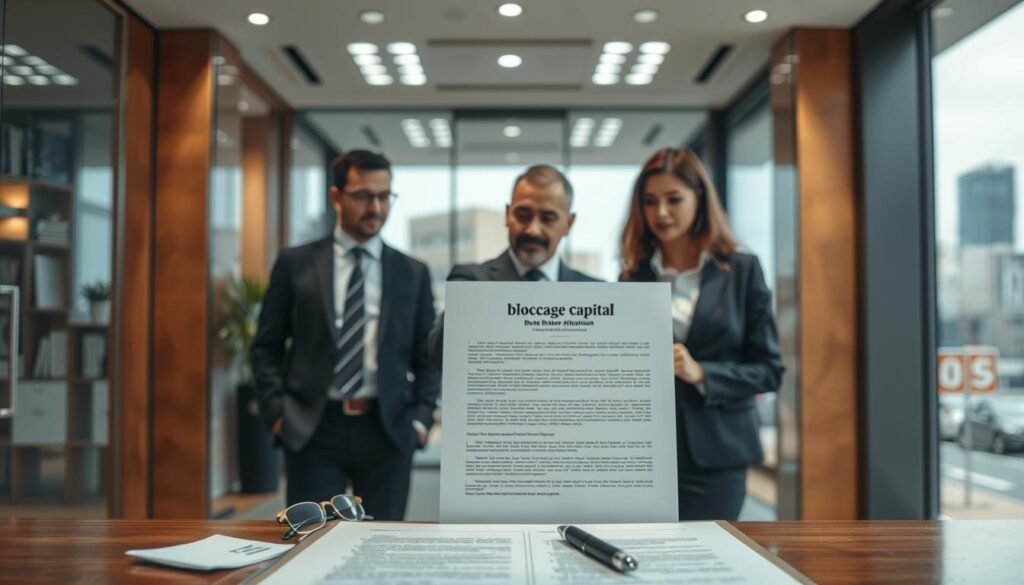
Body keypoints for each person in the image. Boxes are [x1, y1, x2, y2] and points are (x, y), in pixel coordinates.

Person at [251, 150, 439, 521]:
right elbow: (266, 347)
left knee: (382, 541)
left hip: (388, 429)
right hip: (313, 428)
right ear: (336, 196)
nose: (376, 208)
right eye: (363, 196)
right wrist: (278, 414)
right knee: (313, 539)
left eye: (384, 196)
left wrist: (420, 420)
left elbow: (427, 357)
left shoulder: (412, 272)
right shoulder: (295, 263)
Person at [619, 148, 783, 521]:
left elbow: (769, 371)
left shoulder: (741, 270)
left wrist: (702, 373)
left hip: (718, 455)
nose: (661, 213)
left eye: (674, 199)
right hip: (645, 454)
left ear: (700, 198)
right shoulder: (631, 277)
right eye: (650, 201)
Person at [428, 165, 599, 364]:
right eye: (523, 216)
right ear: (507, 215)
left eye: (547, 218)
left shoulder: (596, 294)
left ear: (568, 224)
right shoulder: (471, 281)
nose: (533, 230)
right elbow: (440, 356)